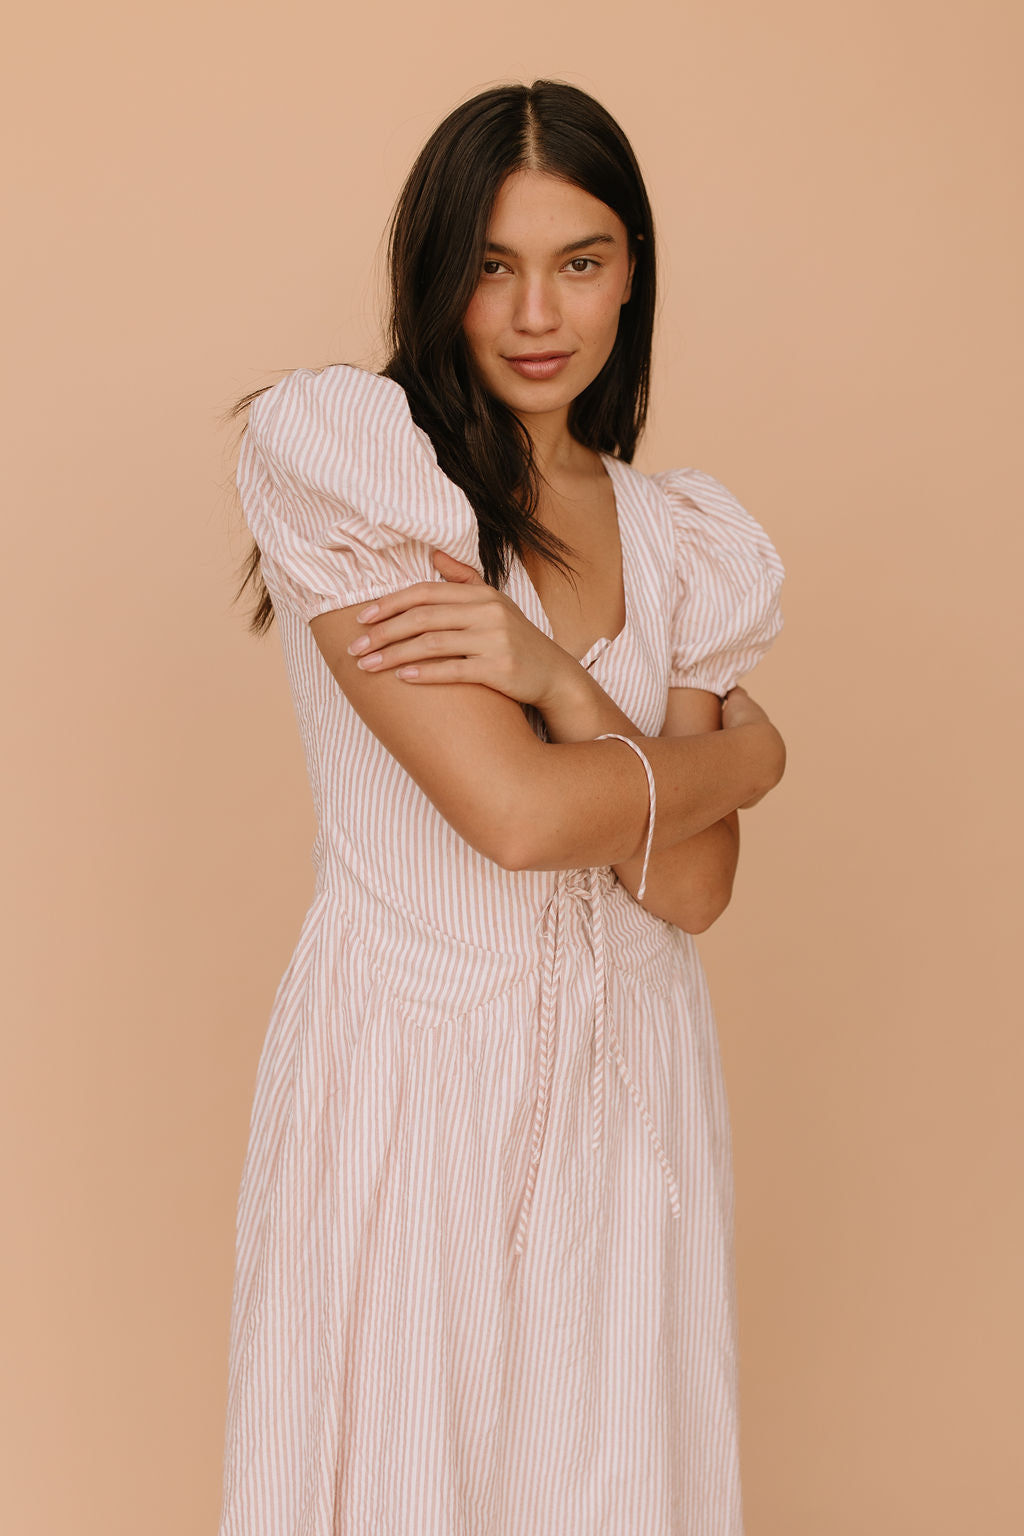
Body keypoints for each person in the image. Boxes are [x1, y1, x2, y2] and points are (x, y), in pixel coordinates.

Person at [219, 79, 786, 1536]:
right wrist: (754, 761)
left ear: (632, 271)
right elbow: (521, 818)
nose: (539, 313)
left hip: (633, 1097)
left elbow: (690, 890)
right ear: (434, 271)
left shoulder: (687, 537)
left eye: (580, 261)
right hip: (415, 1080)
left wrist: (560, 682)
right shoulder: (356, 462)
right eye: (491, 263)